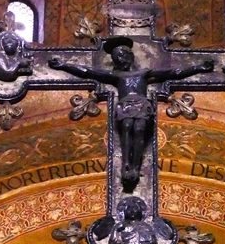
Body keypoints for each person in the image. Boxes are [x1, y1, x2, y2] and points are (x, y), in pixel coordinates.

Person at [48, 38, 213, 190]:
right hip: (125, 105)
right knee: (127, 126)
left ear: (130, 56)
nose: (119, 60)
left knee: (139, 128)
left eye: (121, 55)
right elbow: (87, 71)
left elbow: (173, 73)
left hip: (141, 104)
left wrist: (198, 67)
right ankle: (126, 164)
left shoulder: (144, 73)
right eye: (116, 58)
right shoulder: (117, 76)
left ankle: (135, 166)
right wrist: (63, 65)